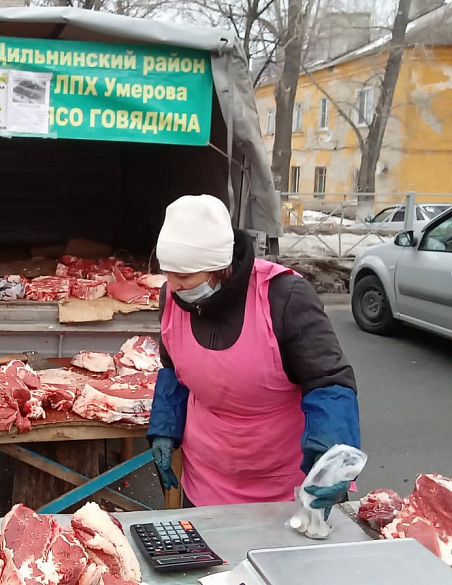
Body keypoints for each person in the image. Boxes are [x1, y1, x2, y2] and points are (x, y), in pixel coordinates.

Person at [147, 195, 360, 513]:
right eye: (169, 274)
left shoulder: (284, 297)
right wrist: (165, 425)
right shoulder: (171, 297)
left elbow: (328, 379)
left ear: (221, 268)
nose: (174, 287)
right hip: (207, 477)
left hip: (286, 483)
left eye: (185, 277)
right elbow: (172, 369)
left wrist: (333, 451)